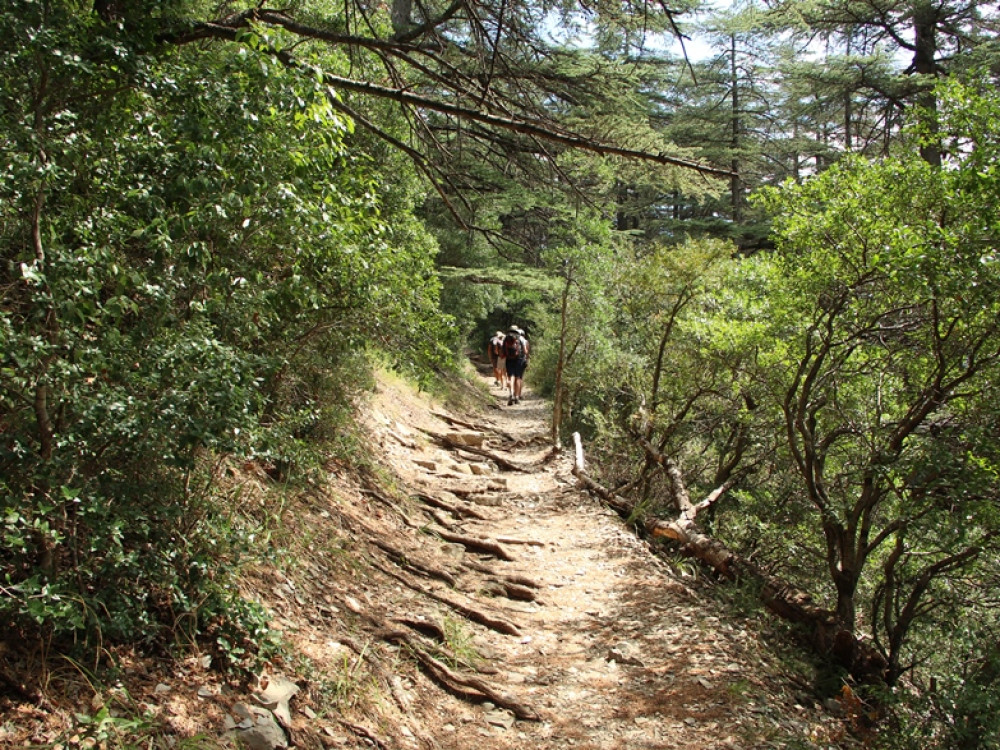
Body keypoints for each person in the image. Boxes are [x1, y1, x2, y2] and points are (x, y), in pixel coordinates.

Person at [503, 326, 529, 405]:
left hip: (509, 359)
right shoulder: (520, 338)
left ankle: (511, 394)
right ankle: (517, 396)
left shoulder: (506, 338)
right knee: (518, 377)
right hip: (519, 359)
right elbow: (525, 351)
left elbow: (502, 351)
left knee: (511, 376)